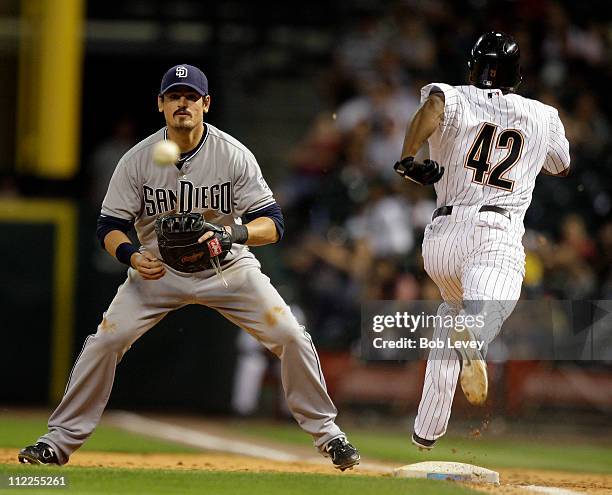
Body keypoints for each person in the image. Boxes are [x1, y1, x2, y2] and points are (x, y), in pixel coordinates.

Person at [18, 64, 360, 471]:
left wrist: (232, 235)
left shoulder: (232, 154)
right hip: (157, 272)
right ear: (160, 104)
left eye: (191, 96)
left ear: (206, 104)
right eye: (175, 95)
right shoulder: (137, 160)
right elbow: (109, 225)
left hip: (227, 267)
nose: (184, 102)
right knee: (105, 342)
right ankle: (56, 442)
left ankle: (329, 435)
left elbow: (273, 223)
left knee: (290, 334)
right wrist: (131, 256)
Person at [393, 32, 570, 449]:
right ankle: (475, 339)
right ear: (518, 74)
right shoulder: (543, 115)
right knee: (492, 304)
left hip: (441, 239)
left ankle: (426, 433)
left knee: (449, 317)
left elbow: (432, 107)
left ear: (473, 68)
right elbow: (562, 165)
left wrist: (407, 160)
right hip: (495, 230)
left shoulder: (451, 96)